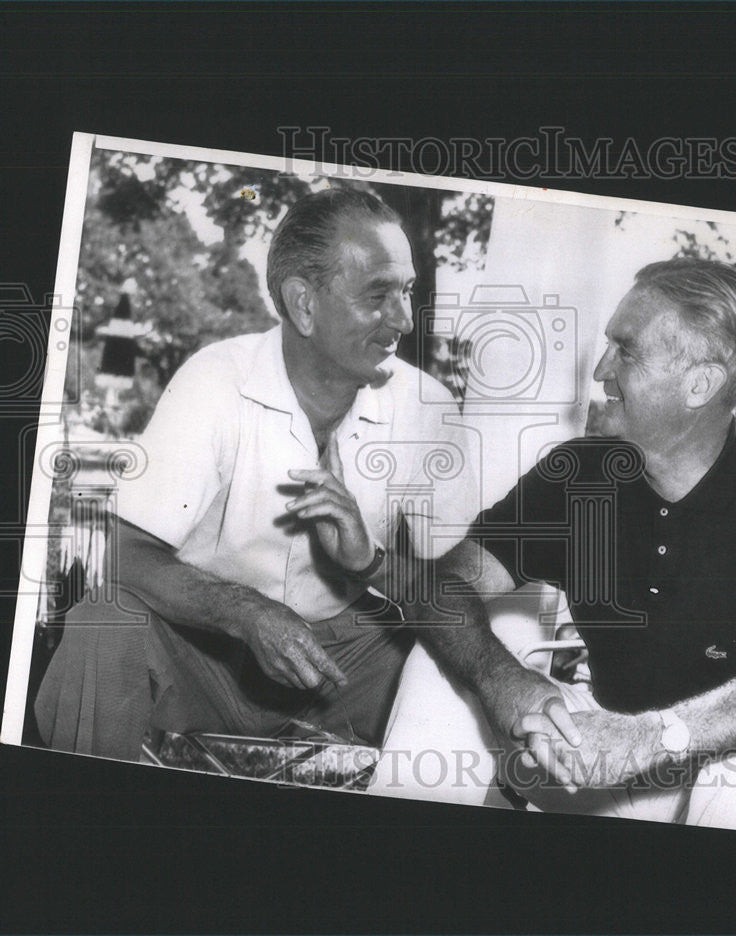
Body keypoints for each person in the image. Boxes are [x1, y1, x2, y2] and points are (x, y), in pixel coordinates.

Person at [382, 257, 736, 833]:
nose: (600, 370)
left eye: (626, 349)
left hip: (722, 772)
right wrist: (503, 683)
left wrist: (657, 737)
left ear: (701, 383)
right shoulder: (578, 474)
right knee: (440, 668)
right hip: (595, 757)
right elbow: (441, 586)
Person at [35, 188, 478, 761]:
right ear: (303, 304)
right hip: (208, 652)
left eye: (408, 290)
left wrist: (371, 563)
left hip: (344, 668)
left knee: (452, 642)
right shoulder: (217, 380)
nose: (404, 319)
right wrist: (244, 612)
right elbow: (122, 551)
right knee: (103, 620)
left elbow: (462, 579)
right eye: (378, 295)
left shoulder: (429, 407)